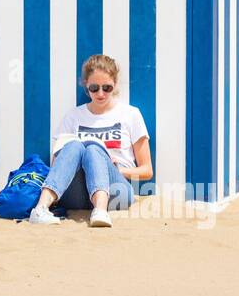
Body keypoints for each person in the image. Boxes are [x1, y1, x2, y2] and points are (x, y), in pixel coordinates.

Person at [28, 54, 152, 228]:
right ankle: (40, 209)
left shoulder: (131, 115)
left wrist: (119, 169)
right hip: (78, 193)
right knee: (74, 146)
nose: (100, 93)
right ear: (86, 85)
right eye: (94, 88)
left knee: (94, 150)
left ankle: (100, 211)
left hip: (117, 192)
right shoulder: (73, 116)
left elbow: (147, 171)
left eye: (107, 88)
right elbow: (58, 164)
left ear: (115, 85)